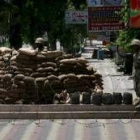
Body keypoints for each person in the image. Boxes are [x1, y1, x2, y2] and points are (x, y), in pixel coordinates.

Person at [130, 39, 140, 109]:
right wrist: (133, 73)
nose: (134, 47)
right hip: (136, 73)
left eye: (135, 46)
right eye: (133, 46)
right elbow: (134, 65)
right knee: (136, 87)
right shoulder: (134, 54)